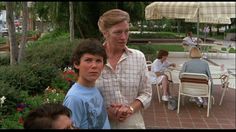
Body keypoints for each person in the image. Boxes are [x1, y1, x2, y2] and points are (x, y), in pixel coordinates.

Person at [96, 9, 152, 129]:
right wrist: (104, 111)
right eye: (118, 32)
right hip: (101, 123)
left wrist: (129, 108)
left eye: (127, 31)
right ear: (105, 33)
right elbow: (85, 93)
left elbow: (146, 93)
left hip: (132, 123)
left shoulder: (138, 57)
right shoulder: (94, 59)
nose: (123, 37)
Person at [63, 38, 110, 129]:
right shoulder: (74, 98)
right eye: (88, 60)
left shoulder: (95, 90)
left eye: (98, 61)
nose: (94, 66)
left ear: (103, 66)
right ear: (77, 64)